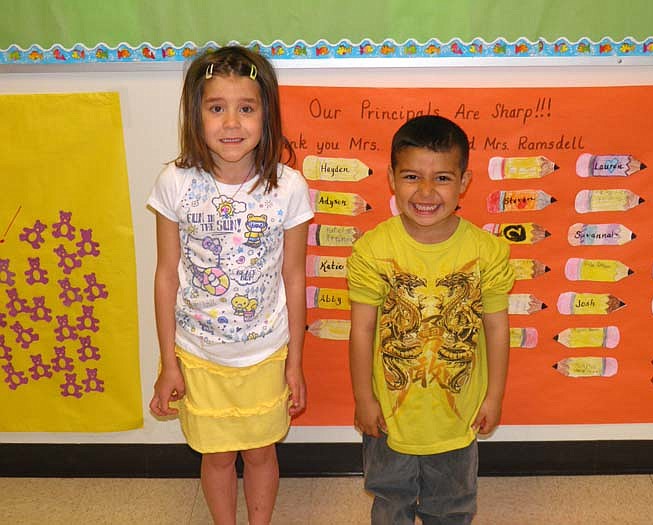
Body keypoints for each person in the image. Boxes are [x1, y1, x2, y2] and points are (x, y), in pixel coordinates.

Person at [147, 45, 313, 525]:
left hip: (266, 353)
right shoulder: (175, 182)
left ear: (267, 115)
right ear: (195, 115)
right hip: (199, 355)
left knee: (261, 452)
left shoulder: (289, 187)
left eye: (246, 108)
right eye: (216, 108)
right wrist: (168, 363)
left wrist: (296, 363)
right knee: (217, 456)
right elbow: (165, 276)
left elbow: (294, 277)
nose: (232, 123)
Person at [347, 115, 514, 525]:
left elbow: (497, 327)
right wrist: (363, 398)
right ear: (390, 178)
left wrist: (494, 395)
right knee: (389, 500)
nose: (425, 192)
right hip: (390, 414)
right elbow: (362, 330)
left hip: (457, 414)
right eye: (411, 176)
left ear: (464, 181)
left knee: (452, 505)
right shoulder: (372, 249)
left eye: (441, 178)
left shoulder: (488, 251)